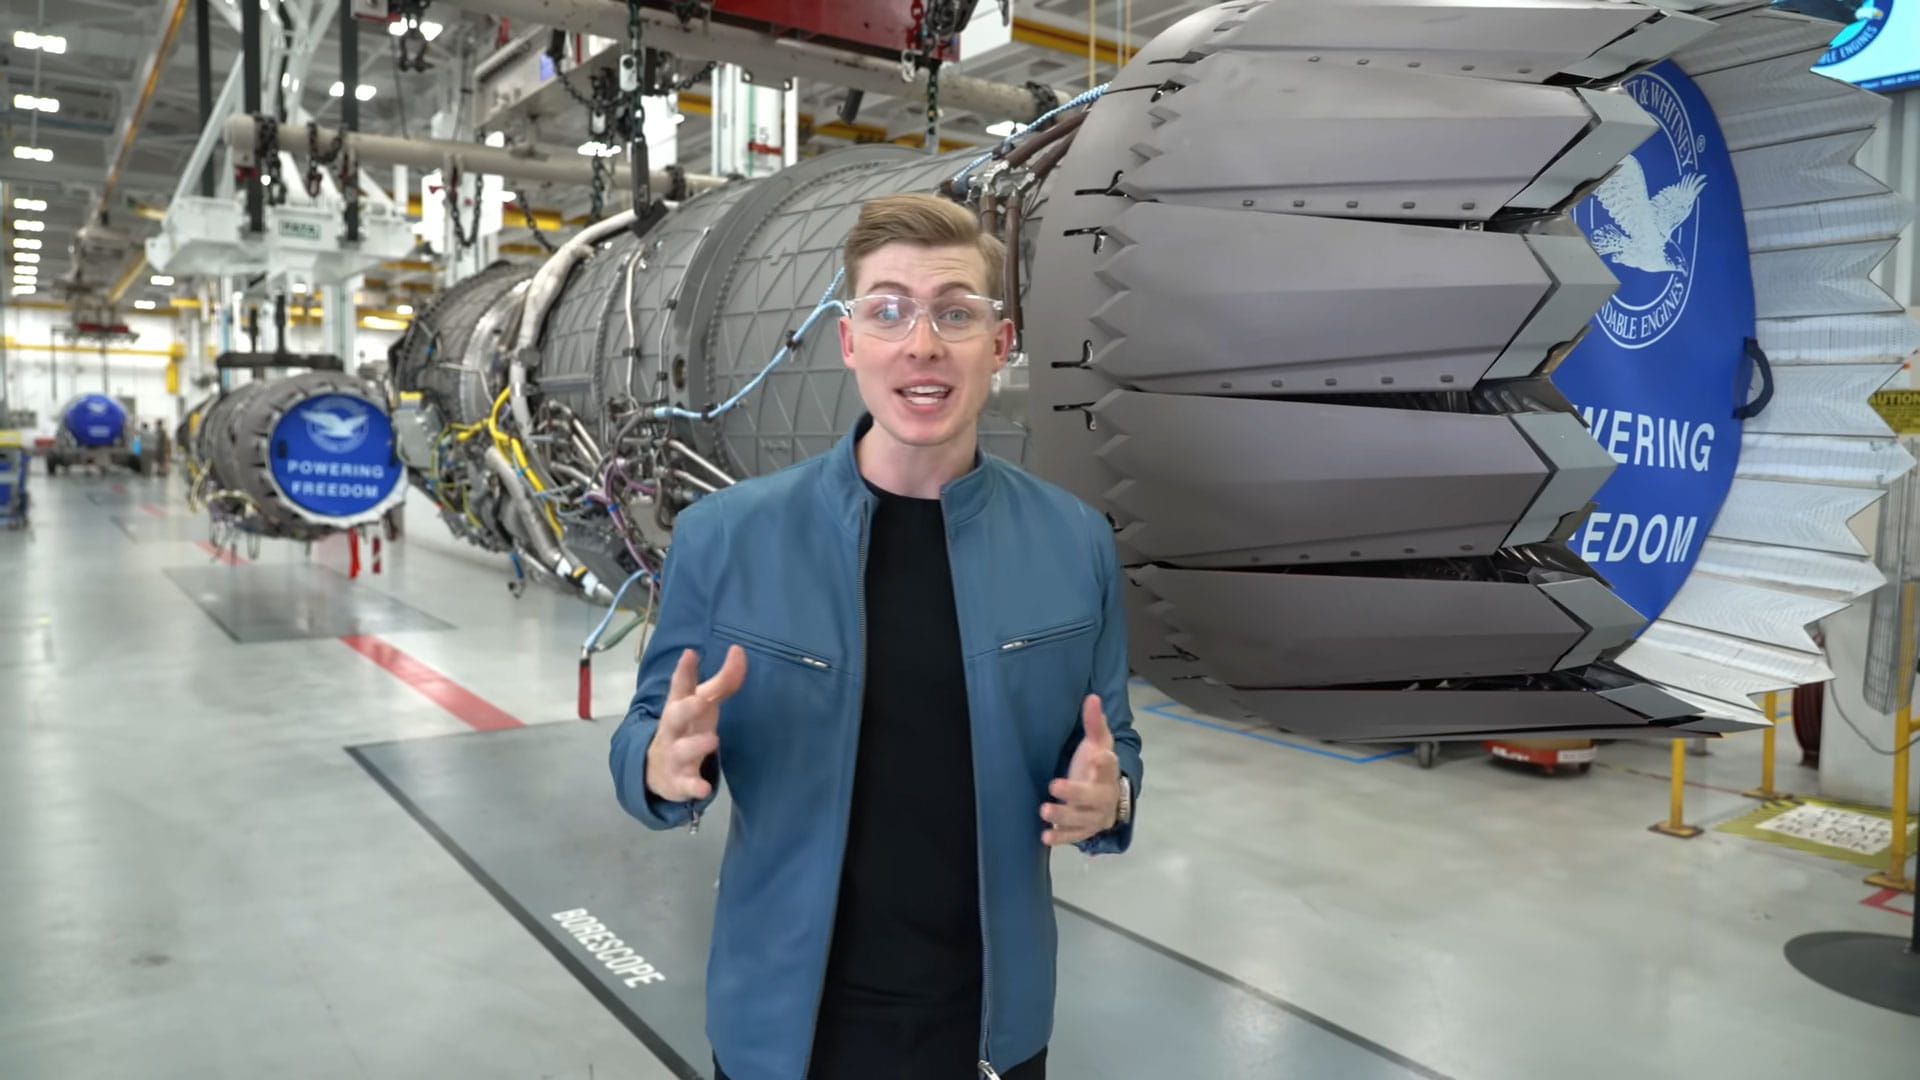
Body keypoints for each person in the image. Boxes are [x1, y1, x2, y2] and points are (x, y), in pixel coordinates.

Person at [610, 193, 1144, 1080]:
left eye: (956, 313)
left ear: (1000, 346)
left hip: (990, 1030)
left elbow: (1113, 744)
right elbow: (642, 742)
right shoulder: (727, 537)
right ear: (850, 340)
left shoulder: (1074, 541)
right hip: (787, 1031)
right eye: (888, 309)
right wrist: (661, 767)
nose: (922, 343)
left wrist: (1111, 800)